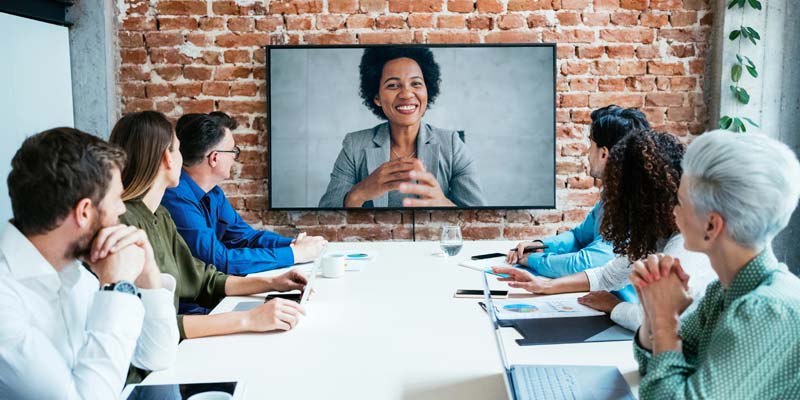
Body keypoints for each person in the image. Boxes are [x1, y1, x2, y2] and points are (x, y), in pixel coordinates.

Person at [0, 128, 178, 398]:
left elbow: (157, 356)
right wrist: (118, 288)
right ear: (84, 212)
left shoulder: (78, 274)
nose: (122, 210)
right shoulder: (6, 302)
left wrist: (148, 273)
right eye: (117, 199)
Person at [629, 131, 800, 399]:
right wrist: (653, 311)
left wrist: (665, 320)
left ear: (711, 225)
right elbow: (657, 368)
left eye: (680, 202)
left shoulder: (765, 310)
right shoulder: (722, 292)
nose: (674, 211)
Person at [109, 111, 308, 339]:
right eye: (178, 149)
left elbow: (204, 279)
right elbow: (147, 327)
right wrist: (249, 319)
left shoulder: (160, 215)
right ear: (167, 158)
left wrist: (272, 283)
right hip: (161, 349)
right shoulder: (124, 227)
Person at [494, 130, 716, 331]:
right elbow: (610, 274)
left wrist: (613, 306)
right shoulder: (658, 232)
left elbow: (653, 322)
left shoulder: (686, 245)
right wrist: (545, 286)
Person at [161, 112, 326, 278]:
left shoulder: (214, 193)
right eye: (233, 150)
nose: (235, 157)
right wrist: (295, 254)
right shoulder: (176, 197)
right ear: (214, 158)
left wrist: (293, 244)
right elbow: (219, 260)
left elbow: (245, 237)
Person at [319, 46, 486, 208]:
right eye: (393, 85)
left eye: (416, 83)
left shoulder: (452, 145)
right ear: (377, 97)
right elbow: (326, 212)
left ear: (427, 91)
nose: (406, 94)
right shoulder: (354, 145)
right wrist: (361, 192)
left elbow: (479, 217)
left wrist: (442, 203)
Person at [507, 105, 651, 281]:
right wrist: (541, 245)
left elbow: (586, 264)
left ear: (604, 154)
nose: (587, 152)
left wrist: (532, 260)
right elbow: (579, 237)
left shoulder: (632, 205)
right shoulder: (612, 196)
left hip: (615, 298)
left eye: (591, 144)